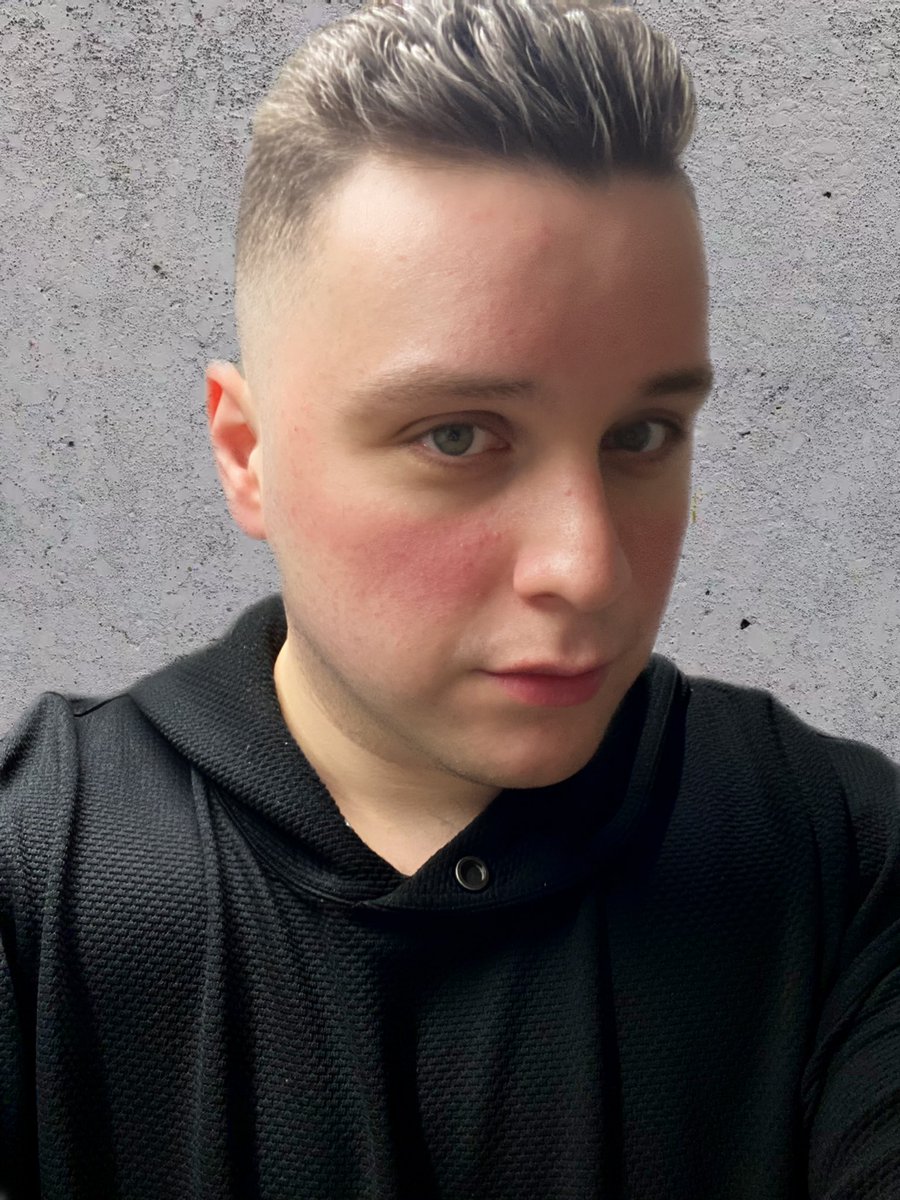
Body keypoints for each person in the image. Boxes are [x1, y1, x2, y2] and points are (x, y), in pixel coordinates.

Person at [1, 0, 898, 1195]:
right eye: (459, 436)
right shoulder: (31, 880)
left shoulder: (843, 855)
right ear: (247, 455)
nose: (586, 567)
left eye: (641, 434)